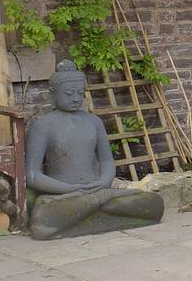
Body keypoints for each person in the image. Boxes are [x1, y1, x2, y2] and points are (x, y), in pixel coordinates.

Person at [25, 59, 164, 240]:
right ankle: (100, 210)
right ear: (53, 94)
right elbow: (32, 175)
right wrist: (67, 188)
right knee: (43, 219)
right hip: (62, 196)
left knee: (153, 203)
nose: (75, 98)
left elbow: (106, 161)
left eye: (80, 93)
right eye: (68, 93)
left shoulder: (94, 121)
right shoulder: (43, 125)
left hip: (97, 190)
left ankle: (92, 210)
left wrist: (103, 181)